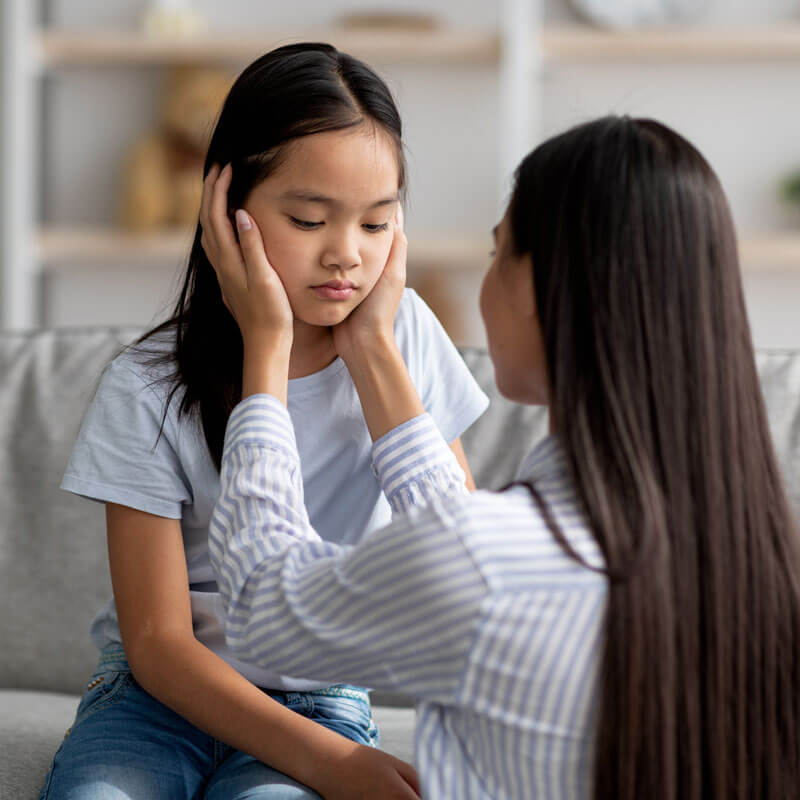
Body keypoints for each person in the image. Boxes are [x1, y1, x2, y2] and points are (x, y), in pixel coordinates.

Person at [206, 115, 800, 799]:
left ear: (545, 289)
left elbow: (260, 609)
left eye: (499, 254)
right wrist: (371, 348)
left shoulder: (485, 560)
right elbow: (464, 557)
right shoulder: (750, 551)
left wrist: (265, 351)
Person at [40, 43, 488, 800]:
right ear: (227, 206)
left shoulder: (405, 339)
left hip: (320, 694)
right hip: (157, 701)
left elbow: (462, 558)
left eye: (378, 225)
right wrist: (268, 348)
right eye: (311, 218)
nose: (346, 254)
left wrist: (374, 349)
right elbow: (156, 644)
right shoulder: (145, 386)